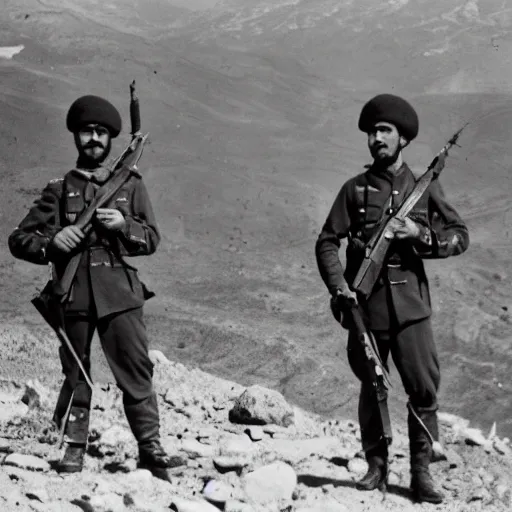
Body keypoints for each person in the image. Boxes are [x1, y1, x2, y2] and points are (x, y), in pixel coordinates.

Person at [8, 94, 185, 475]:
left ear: (111, 141)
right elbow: (18, 239)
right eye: (87, 131)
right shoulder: (58, 189)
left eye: (101, 133)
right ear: (76, 136)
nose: (94, 139)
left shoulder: (131, 185)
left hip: (119, 293)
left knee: (136, 369)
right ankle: (74, 446)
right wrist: (51, 244)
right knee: (77, 371)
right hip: (72, 293)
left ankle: (150, 447)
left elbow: (151, 239)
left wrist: (125, 226)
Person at [315, 93, 469, 504]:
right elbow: (327, 242)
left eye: (384, 131)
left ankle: (421, 474)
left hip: (412, 312)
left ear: (403, 139)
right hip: (366, 309)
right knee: (373, 386)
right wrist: (339, 288)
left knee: (423, 390)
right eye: (371, 132)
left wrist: (421, 236)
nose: (375, 139)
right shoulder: (354, 189)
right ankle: (376, 467)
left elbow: (459, 236)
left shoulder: (425, 189)